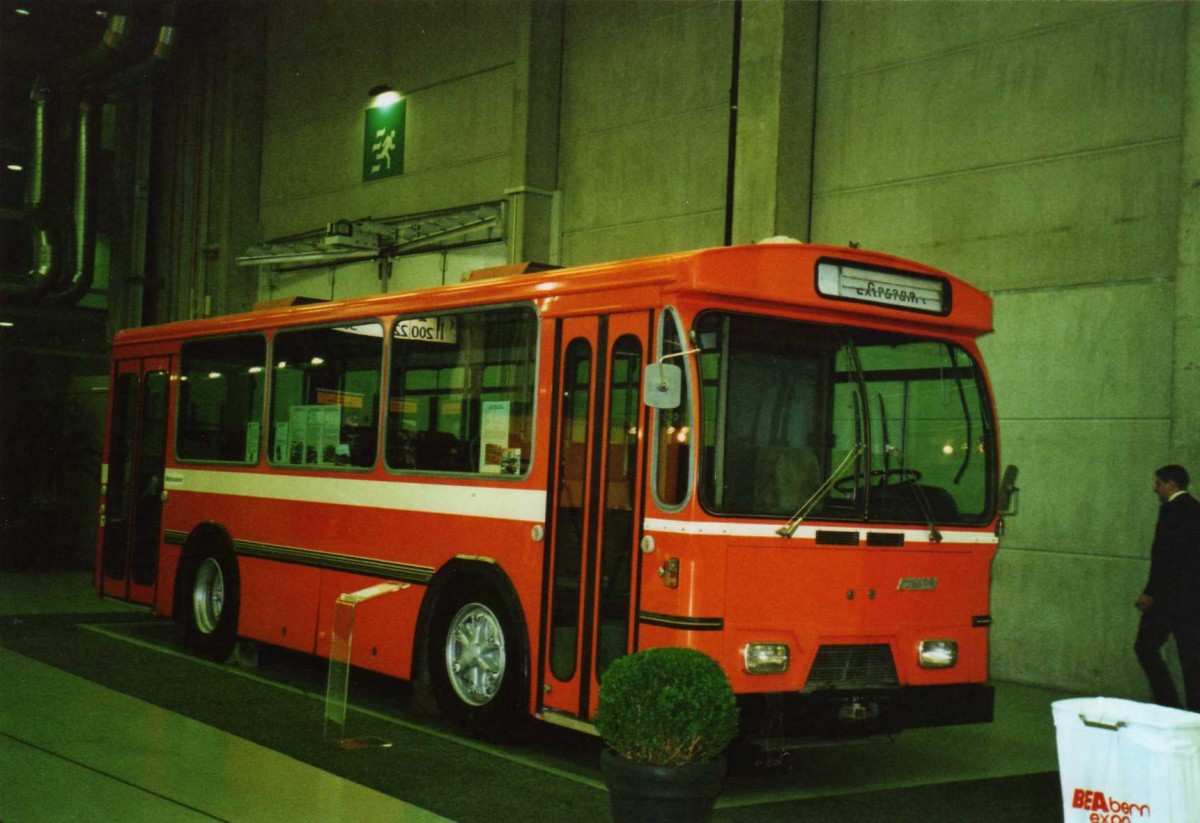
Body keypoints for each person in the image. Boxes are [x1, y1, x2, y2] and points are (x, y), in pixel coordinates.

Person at [1134, 464, 1200, 711]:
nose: (1155, 488)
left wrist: (1150, 592)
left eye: (1159, 483)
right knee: (1191, 658)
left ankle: (1167, 704)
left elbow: (1164, 556)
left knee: (1145, 647)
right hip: (1192, 599)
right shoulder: (1196, 509)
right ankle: (1195, 714)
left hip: (1166, 597)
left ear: (1172, 484)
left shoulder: (1171, 511)